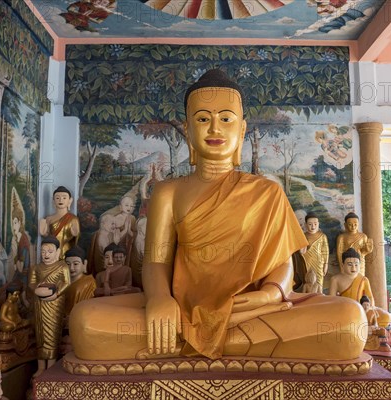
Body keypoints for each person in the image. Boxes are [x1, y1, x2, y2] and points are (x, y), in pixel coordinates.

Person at [70, 69, 366, 361]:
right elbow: (156, 262)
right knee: (85, 321)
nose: (214, 128)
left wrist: (271, 293)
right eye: (202, 119)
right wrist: (160, 299)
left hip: (248, 310)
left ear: (242, 129)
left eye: (226, 118)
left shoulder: (267, 192)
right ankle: (229, 343)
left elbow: (282, 264)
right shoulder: (168, 192)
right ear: (188, 130)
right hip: (183, 307)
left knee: (349, 319)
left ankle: (187, 342)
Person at [28, 236, 70, 376]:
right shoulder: (36, 267)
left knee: (51, 333)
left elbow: (66, 283)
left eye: (50, 251)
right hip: (39, 303)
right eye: (43, 251)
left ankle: (51, 366)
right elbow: (31, 283)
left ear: (58, 252)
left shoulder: (62, 266)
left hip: (54, 304)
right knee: (40, 334)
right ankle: (40, 367)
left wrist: (56, 294)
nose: (46, 254)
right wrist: (36, 289)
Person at [329, 248, 391, 329]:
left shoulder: (363, 279)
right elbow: (331, 300)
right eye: (350, 264)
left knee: (386, 317)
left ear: (360, 265)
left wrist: (370, 308)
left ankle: (360, 326)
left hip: (363, 308)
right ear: (343, 265)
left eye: (356, 264)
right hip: (346, 309)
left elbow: (370, 297)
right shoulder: (336, 279)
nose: (353, 268)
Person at [39, 187, 80, 260]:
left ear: (70, 201)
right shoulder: (49, 219)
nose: (61, 200)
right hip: (51, 251)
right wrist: (43, 232)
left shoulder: (73, 218)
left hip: (66, 249)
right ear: (53, 201)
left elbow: (76, 235)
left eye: (64, 198)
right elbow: (48, 235)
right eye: (57, 198)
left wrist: (75, 233)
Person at [300, 213, 329, 294]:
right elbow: (301, 251)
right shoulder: (303, 236)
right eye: (310, 224)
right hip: (306, 261)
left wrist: (326, 264)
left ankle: (319, 298)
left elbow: (325, 251)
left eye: (315, 224)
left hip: (319, 262)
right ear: (306, 225)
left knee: (319, 281)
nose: (313, 227)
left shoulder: (322, 236)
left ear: (318, 224)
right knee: (307, 280)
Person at [64, 246, 96, 316]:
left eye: (75, 264)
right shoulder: (62, 282)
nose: (71, 268)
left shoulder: (88, 282)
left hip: (78, 317)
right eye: (68, 264)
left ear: (84, 264)